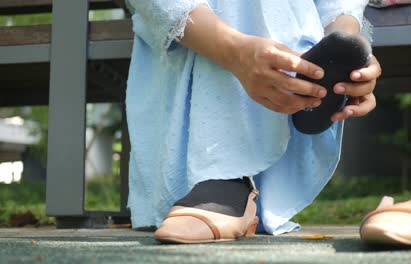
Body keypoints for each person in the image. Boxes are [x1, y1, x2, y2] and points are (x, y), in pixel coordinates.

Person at [125, 0, 381, 243]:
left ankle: (226, 177)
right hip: (194, 32)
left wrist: (346, 45)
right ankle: (225, 170)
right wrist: (234, 51)